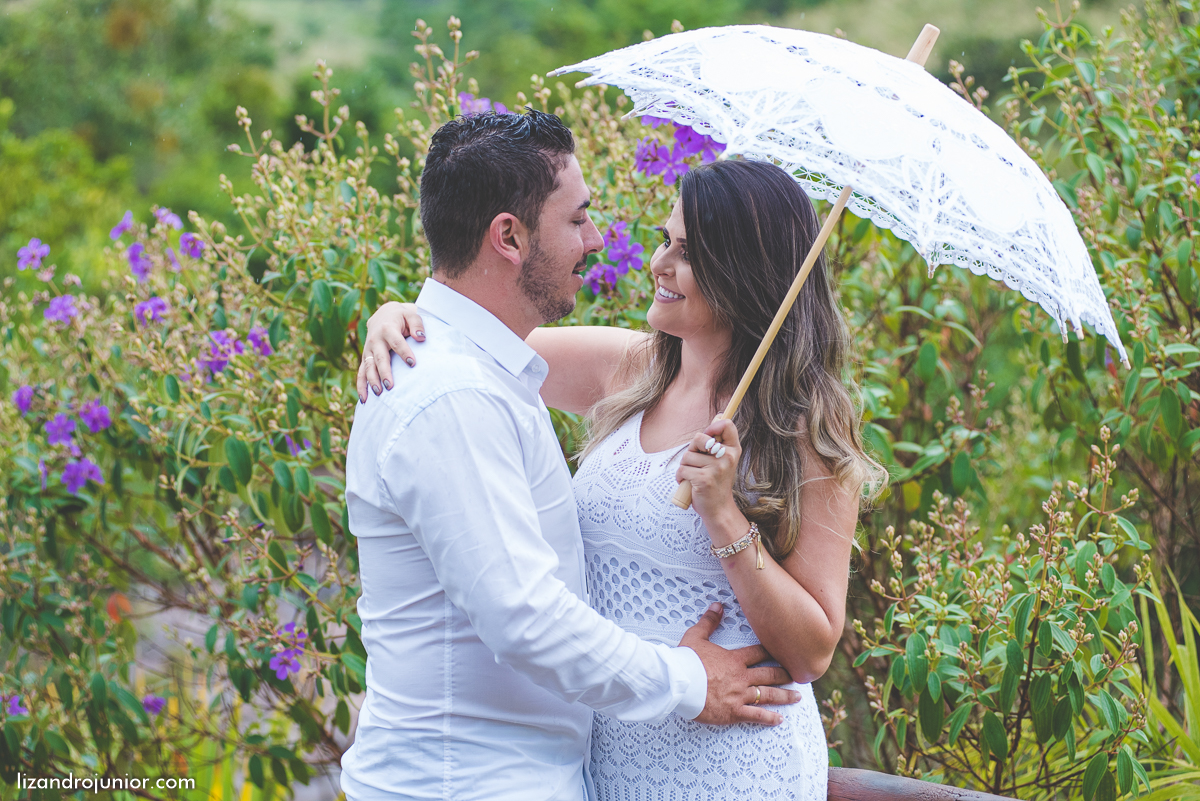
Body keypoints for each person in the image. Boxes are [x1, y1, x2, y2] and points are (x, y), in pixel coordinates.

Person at [359, 155, 887, 799]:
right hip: (608, 751)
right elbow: (470, 341)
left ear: (743, 272)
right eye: (667, 239)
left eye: (686, 252)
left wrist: (725, 515)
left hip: (727, 754)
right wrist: (394, 317)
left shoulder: (802, 426)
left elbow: (811, 652)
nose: (658, 263)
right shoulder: (634, 369)